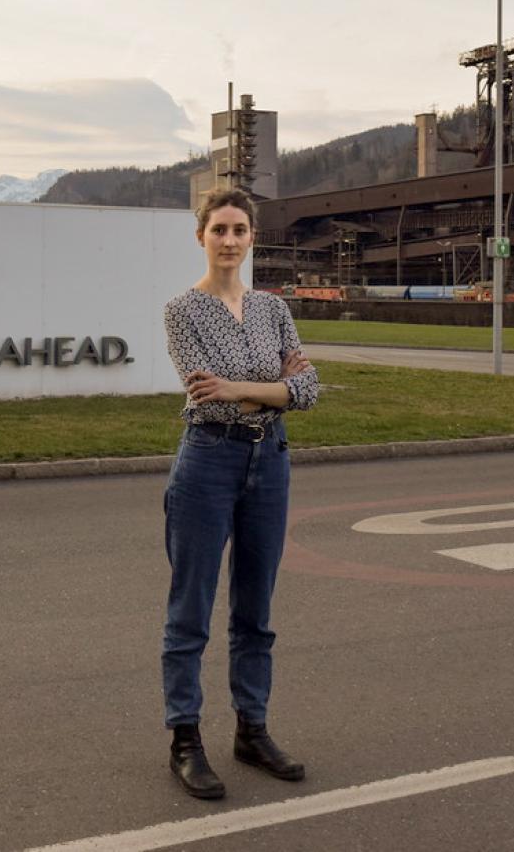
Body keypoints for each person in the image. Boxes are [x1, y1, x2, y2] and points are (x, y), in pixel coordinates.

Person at [160, 187, 320, 800]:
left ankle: (252, 730)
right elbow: (205, 393)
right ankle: (185, 740)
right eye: (219, 229)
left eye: (240, 230)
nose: (229, 240)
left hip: (270, 461)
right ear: (200, 236)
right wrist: (266, 387)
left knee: (256, 612)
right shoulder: (182, 311)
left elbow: (308, 389)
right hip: (208, 460)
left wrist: (242, 388)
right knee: (190, 611)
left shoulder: (273, 310)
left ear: (252, 237)